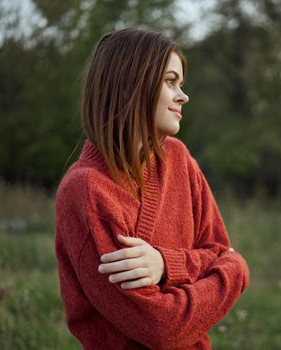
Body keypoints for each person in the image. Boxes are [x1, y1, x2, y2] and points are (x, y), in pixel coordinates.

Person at [54, 28, 250, 349]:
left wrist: (165, 264)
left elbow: (217, 248)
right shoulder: (87, 190)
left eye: (181, 84)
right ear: (131, 84)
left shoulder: (179, 158)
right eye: (170, 82)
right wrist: (236, 270)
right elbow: (160, 327)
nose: (183, 96)